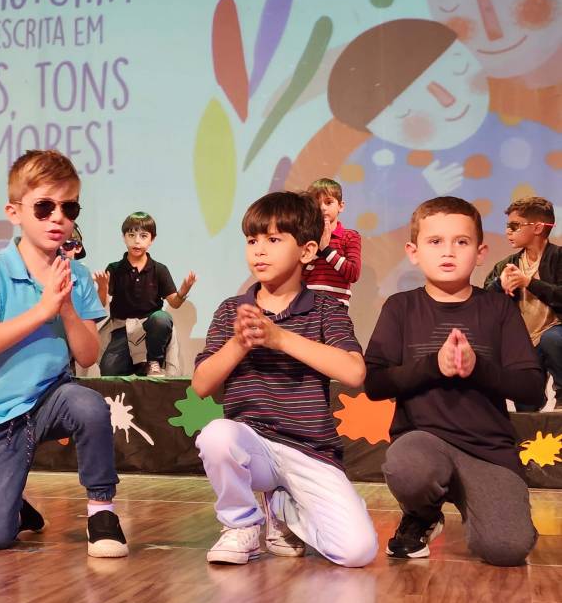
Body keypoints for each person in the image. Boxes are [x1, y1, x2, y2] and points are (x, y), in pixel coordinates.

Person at [193, 191, 377, 567]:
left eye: (274, 239)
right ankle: (242, 525)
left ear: (307, 251)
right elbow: (201, 384)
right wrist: (239, 343)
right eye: (252, 240)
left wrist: (280, 339)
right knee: (216, 435)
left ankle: (284, 507)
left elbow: (354, 372)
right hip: (254, 445)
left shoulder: (325, 308)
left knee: (357, 552)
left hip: (310, 450)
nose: (259, 250)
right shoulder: (232, 310)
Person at [0, 149, 127, 557]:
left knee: (89, 405)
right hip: (2, 416)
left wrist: (67, 306)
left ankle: (102, 511)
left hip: (52, 398)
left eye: (69, 208)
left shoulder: (77, 275)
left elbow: (87, 355)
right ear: (14, 212)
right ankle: (13, 506)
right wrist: (42, 310)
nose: (58, 217)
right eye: (44, 207)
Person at [365, 196, 543, 565]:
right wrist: (434, 365)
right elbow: (375, 383)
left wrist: (477, 367)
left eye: (461, 242)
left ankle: (482, 503)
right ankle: (423, 515)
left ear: (480, 253)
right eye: (435, 241)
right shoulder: (400, 307)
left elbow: (531, 387)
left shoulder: (498, 308)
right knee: (408, 466)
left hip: (488, 451)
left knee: (507, 549)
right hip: (423, 443)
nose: (448, 252)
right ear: (413, 252)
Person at [94, 212, 196, 377]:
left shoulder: (159, 269)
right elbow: (102, 303)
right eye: (131, 235)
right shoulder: (114, 268)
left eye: (143, 236)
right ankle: (136, 366)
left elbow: (174, 303)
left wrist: (183, 291)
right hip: (123, 329)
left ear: (152, 239)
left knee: (161, 318)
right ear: (123, 237)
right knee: (109, 371)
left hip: (151, 330)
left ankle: (153, 362)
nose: (137, 241)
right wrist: (102, 286)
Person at [484, 196, 560, 410]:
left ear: (537, 228)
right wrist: (499, 285)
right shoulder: (507, 265)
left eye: (514, 226)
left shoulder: (559, 258)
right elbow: (485, 304)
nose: (507, 231)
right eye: (507, 226)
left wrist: (529, 282)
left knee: (553, 339)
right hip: (524, 340)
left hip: (555, 331)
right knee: (526, 403)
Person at [302, 178, 361, 308]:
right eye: (317, 203)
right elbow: (299, 276)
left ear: (341, 206)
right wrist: (317, 250)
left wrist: (326, 249)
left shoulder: (350, 236)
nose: (322, 207)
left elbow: (353, 274)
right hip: (307, 306)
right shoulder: (306, 238)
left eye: (328, 202)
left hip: (337, 307)